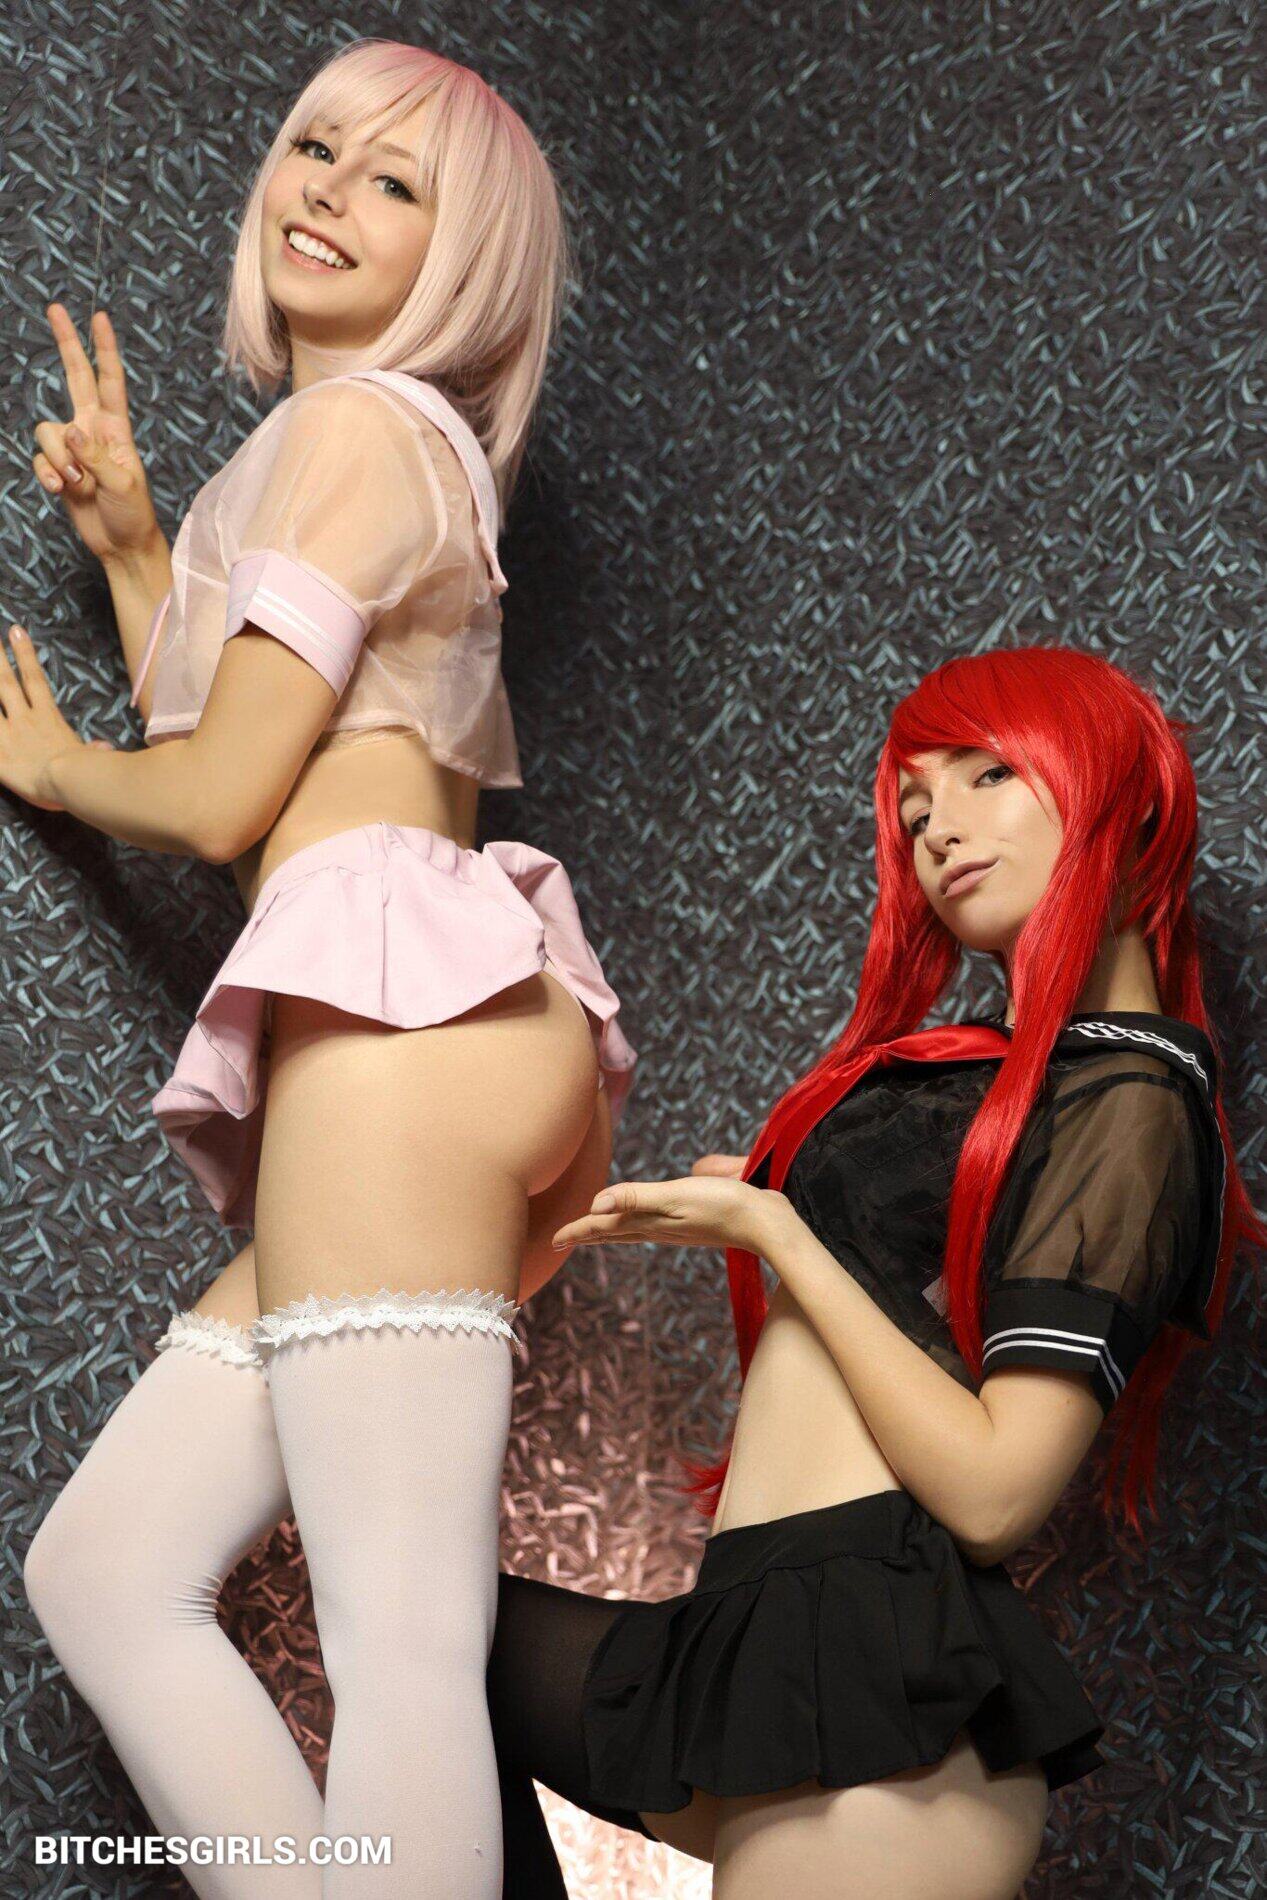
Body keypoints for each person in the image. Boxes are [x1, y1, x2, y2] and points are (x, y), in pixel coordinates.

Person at [15, 38, 633, 1900]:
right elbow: (259, 760)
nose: (327, 190)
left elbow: (218, 801)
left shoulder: (364, 428)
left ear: (467, 262)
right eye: (312, 145)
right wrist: (142, 554)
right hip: (423, 1017)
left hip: (399, 1026)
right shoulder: (338, 449)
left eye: (394, 182)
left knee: (396, 1638)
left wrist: (54, 768)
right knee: (106, 1569)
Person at [481, 646, 1262, 1900]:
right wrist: (775, 1198)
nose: (937, 829)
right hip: (760, 1623)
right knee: (424, 1647)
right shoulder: (1007, 1072)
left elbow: (996, 1490)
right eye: (912, 811)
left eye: (988, 775)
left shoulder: (1135, 1097)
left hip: (878, 1694)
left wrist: (780, 1234)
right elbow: (916, 1267)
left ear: (1122, 792)